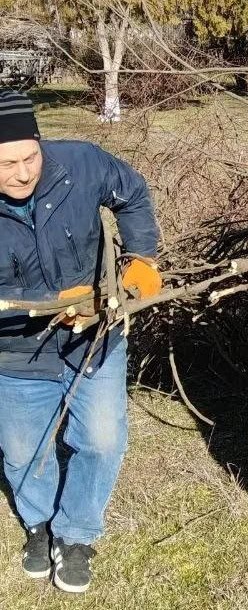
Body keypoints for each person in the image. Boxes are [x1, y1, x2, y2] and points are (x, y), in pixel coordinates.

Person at [0, 89, 161, 593]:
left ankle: (75, 533)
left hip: (95, 337)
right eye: (6, 165)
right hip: (17, 351)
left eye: (30, 157)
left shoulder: (82, 163)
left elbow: (132, 193)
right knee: (23, 450)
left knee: (101, 439)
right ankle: (39, 523)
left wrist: (141, 262)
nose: (24, 173)